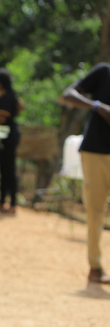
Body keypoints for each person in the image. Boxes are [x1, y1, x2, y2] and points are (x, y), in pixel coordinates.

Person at [59, 62, 110, 284]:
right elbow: (68, 94)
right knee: (95, 211)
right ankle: (96, 268)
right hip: (96, 151)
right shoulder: (104, 72)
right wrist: (98, 106)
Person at [0, 68, 21, 215]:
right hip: (5, 135)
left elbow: (2, 119)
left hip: (8, 136)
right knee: (3, 169)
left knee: (9, 170)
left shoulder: (8, 97)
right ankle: (2, 202)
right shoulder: (6, 96)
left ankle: (12, 204)